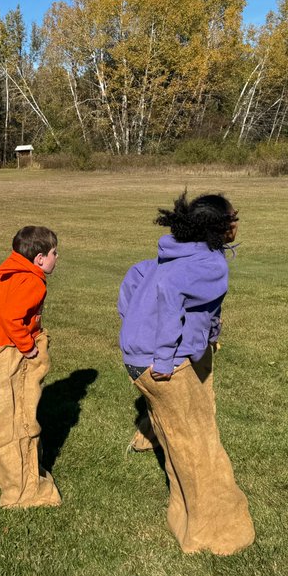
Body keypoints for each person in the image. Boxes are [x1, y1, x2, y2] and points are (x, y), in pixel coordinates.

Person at [118, 193, 254, 554]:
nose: (237, 224)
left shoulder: (172, 252)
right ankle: (216, 534)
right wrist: (163, 357)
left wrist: (133, 328)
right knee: (199, 447)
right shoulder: (208, 265)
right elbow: (169, 290)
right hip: (160, 363)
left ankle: (181, 516)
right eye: (233, 218)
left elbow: (136, 279)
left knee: (176, 437)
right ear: (219, 226)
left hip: (136, 359)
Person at [0, 225, 61, 508]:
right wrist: (28, 347)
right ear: (40, 259)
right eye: (55, 253)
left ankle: (2, 474)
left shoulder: (9, 274)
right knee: (15, 421)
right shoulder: (33, 282)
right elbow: (11, 318)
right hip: (1, 355)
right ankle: (23, 491)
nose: (58, 258)